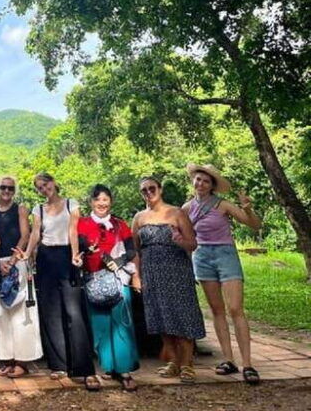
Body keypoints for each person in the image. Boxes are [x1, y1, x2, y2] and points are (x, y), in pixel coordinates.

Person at [182, 163, 262, 384]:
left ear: (212, 186)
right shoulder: (187, 208)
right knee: (217, 310)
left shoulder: (223, 204)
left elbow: (255, 225)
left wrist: (247, 209)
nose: (201, 184)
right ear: (193, 181)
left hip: (226, 255)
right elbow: (186, 238)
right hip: (202, 257)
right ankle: (229, 360)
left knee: (235, 308)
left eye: (206, 181)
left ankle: (248, 364)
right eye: (198, 179)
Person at [132, 176, 205, 384]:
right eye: (144, 190)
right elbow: (135, 250)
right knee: (160, 316)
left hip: (177, 270)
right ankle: (173, 361)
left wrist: (181, 241)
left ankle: (187, 363)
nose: (148, 193)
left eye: (152, 188)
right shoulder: (139, 218)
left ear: (160, 189)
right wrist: (136, 276)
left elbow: (193, 244)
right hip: (152, 272)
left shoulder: (177, 213)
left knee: (183, 314)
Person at [28, 172, 96, 389]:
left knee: (74, 312)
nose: (44, 189)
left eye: (45, 184)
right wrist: (27, 254)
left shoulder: (70, 204)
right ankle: (59, 364)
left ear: (53, 182)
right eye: (39, 187)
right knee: (51, 312)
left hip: (66, 256)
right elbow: (35, 234)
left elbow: (73, 230)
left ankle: (84, 368)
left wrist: (75, 254)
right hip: (46, 257)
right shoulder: (38, 209)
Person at [77, 185, 139, 392]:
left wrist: (118, 261)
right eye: (97, 200)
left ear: (111, 201)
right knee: (100, 326)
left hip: (117, 279)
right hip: (93, 280)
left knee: (121, 325)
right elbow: (79, 245)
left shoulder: (120, 224)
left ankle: (124, 370)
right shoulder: (82, 223)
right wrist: (88, 249)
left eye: (105, 199)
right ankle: (107, 367)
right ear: (91, 202)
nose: (101, 203)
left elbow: (131, 250)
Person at [0, 176, 42, 378]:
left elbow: (25, 235)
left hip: (17, 262)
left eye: (11, 188)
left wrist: (11, 262)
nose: (7, 191)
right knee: (2, 314)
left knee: (21, 313)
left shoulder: (20, 209)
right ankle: (8, 358)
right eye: (3, 187)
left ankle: (22, 360)